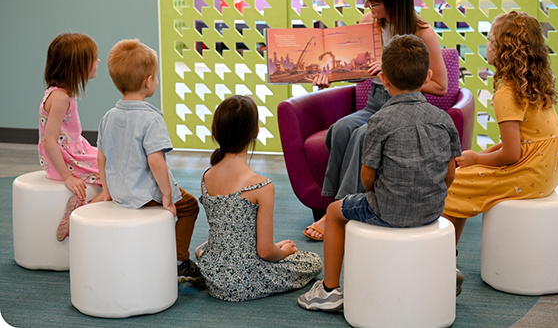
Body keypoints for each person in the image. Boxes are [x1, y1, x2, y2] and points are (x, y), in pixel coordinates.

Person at [297, 34, 461, 312]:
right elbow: (450, 174)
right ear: (428, 75)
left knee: (336, 212)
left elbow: (367, 178)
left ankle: (329, 290)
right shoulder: (443, 119)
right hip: (433, 209)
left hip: (386, 210)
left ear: (383, 79)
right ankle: (438, 272)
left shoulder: (379, 121)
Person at [303, 0, 449, 241]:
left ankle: (338, 209)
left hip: (402, 106)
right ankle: (338, 203)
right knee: (341, 128)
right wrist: (328, 77)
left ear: (394, 0)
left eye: (375, 1)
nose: (369, 6)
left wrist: (390, 71)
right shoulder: (366, 24)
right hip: (375, 102)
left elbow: (440, 86)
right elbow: (354, 69)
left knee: (361, 135)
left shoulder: (422, 33)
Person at [442, 11, 558, 244]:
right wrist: (477, 156)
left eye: (490, 40)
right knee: (463, 175)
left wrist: (477, 159)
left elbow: (511, 153)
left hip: (531, 172)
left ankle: (444, 256)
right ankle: (449, 256)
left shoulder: (506, 93)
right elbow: (523, 143)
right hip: (547, 169)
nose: (486, 45)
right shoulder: (532, 84)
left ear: (504, 51)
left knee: (450, 185)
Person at [91, 39, 203, 284]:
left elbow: (101, 155)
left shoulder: (109, 116)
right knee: (190, 206)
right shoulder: (151, 119)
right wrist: (166, 196)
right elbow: (155, 161)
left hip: (119, 190)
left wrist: (107, 191)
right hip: (144, 192)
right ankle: (179, 261)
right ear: (148, 81)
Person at [195, 95, 323, 302]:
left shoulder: (206, 177)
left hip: (216, 276)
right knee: (312, 261)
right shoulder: (261, 186)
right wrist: (283, 252)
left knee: (207, 247)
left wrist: (276, 248)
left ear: (215, 129)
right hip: (244, 280)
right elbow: (264, 252)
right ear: (256, 132)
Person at [38, 33, 103, 241]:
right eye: (94, 59)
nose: (98, 62)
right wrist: (67, 176)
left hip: (71, 151)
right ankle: (81, 214)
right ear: (78, 66)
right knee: (113, 174)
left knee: (108, 160)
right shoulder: (61, 97)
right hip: (65, 159)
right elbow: (49, 141)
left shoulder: (58, 92)